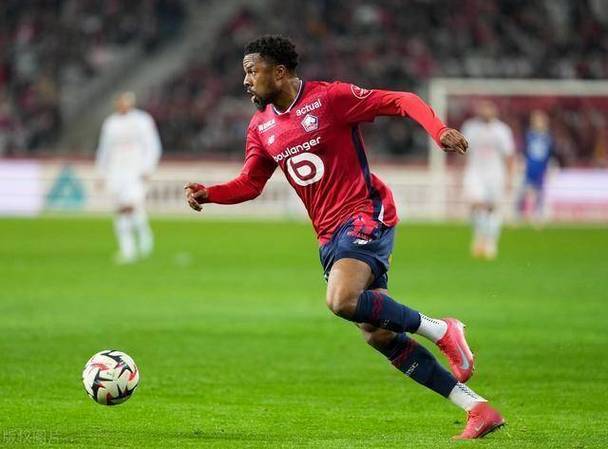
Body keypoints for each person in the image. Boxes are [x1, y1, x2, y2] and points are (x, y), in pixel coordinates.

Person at [185, 35, 504, 439]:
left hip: (364, 212)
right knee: (378, 334)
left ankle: (442, 330)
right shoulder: (261, 126)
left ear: (279, 72)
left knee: (341, 300)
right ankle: (477, 408)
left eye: (252, 71)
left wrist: (438, 130)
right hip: (328, 236)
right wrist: (210, 193)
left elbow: (401, 100)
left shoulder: (330, 98)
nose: (246, 80)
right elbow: (250, 182)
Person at [96, 92, 162, 264]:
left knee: (131, 206)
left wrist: (148, 168)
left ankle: (143, 238)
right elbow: (104, 150)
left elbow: (152, 145)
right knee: (121, 210)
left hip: (135, 170)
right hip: (116, 171)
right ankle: (128, 249)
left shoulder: (142, 120)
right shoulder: (110, 123)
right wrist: (101, 172)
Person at [461, 101, 515, 260]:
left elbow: (509, 155)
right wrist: (460, 171)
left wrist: (509, 177)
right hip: (475, 172)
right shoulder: (470, 127)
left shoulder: (502, 130)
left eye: (489, 108)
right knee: (475, 204)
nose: (486, 111)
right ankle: (479, 236)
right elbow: (462, 152)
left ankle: (491, 241)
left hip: (495, 174)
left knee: (493, 208)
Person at [516, 110, 555, 226]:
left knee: (540, 193)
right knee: (522, 192)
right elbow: (523, 151)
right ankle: (519, 215)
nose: (538, 124)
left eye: (540, 121)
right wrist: (521, 163)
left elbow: (550, 154)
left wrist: (550, 167)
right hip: (529, 168)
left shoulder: (548, 137)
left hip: (541, 169)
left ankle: (538, 216)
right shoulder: (528, 135)